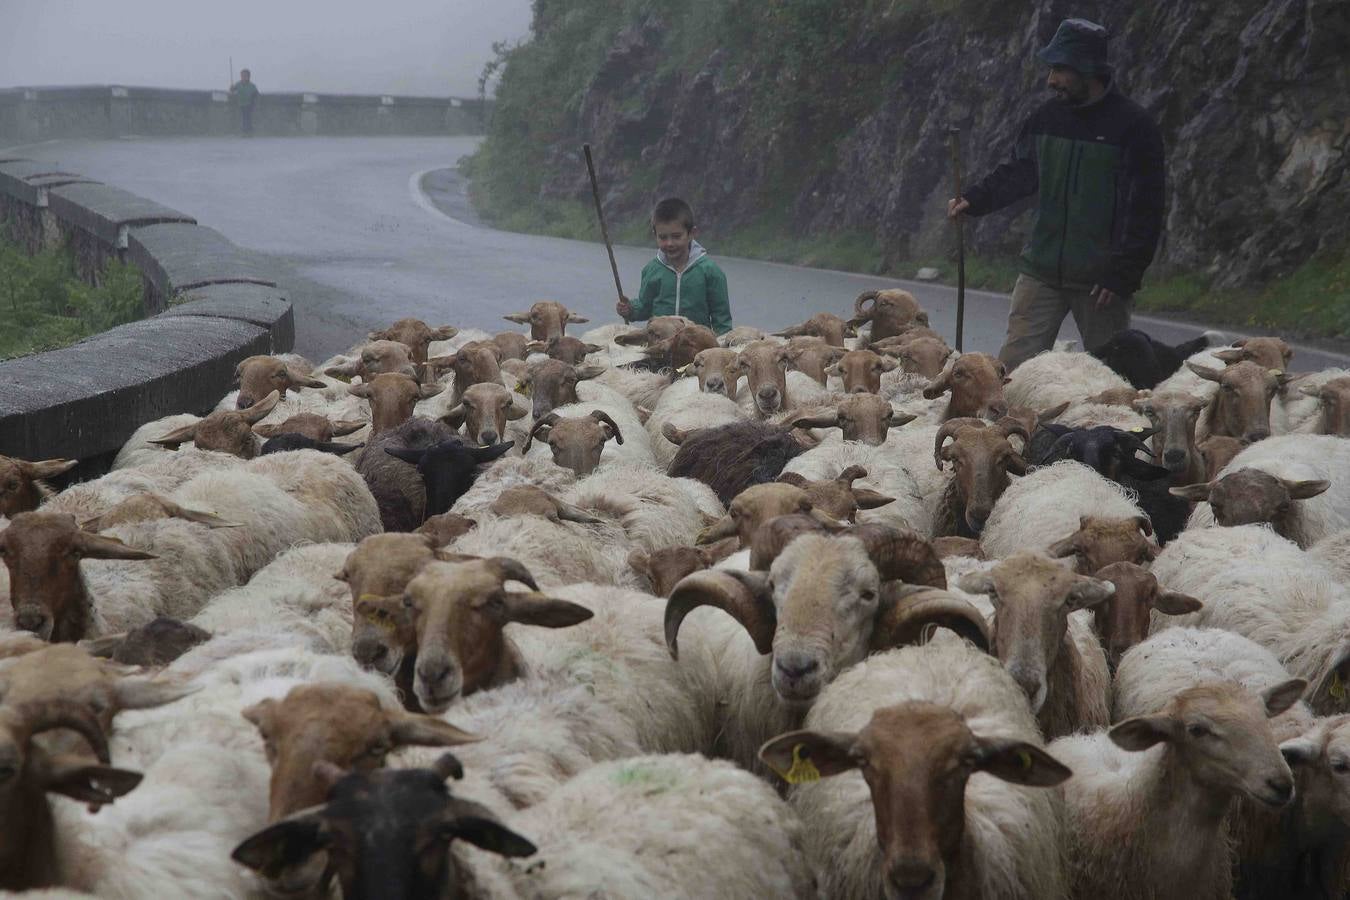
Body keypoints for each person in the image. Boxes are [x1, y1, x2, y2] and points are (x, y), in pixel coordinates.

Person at [949, 18, 1166, 370]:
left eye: (1060, 69)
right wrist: (975, 199)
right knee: (1011, 372)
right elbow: (1020, 172)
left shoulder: (1135, 127)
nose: (1051, 80)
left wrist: (1123, 273)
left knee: (1110, 380)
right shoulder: (1046, 118)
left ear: (1087, 69)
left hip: (1101, 282)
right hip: (1041, 269)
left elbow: (1146, 209)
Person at [616, 197, 733, 335]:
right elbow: (644, 307)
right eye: (663, 237)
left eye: (677, 236)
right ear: (655, 235)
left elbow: (722, 321)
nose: (670, 243)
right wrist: (630, 310)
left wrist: (719, 349)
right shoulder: (651, 270)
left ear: (691, 234)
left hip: (695, 346)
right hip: (659, 345)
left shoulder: (711, 272)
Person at [229, 69, 260, 136]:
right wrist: (231, 88)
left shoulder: (252, 86)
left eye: (245, 75)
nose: (243, 77)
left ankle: (247, 131)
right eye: (242, 75)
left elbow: (256, 95)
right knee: (244, 118)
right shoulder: (238, 84)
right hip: (240, 104)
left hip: (249, 105)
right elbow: (232, 90)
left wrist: (254, 102)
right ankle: (246, 131)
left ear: (248, 77)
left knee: (247, 118)